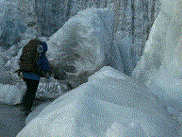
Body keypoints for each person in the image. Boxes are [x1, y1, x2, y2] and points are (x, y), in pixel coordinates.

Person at [18, 39, 52, 115]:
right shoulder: (40, 53)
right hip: (34, 75)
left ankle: (24, 105)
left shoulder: (29, 50)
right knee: (32, 92)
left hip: (25, 73)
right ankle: (28, 109)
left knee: (28, 89)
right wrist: (48, 71)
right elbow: (44, 64)